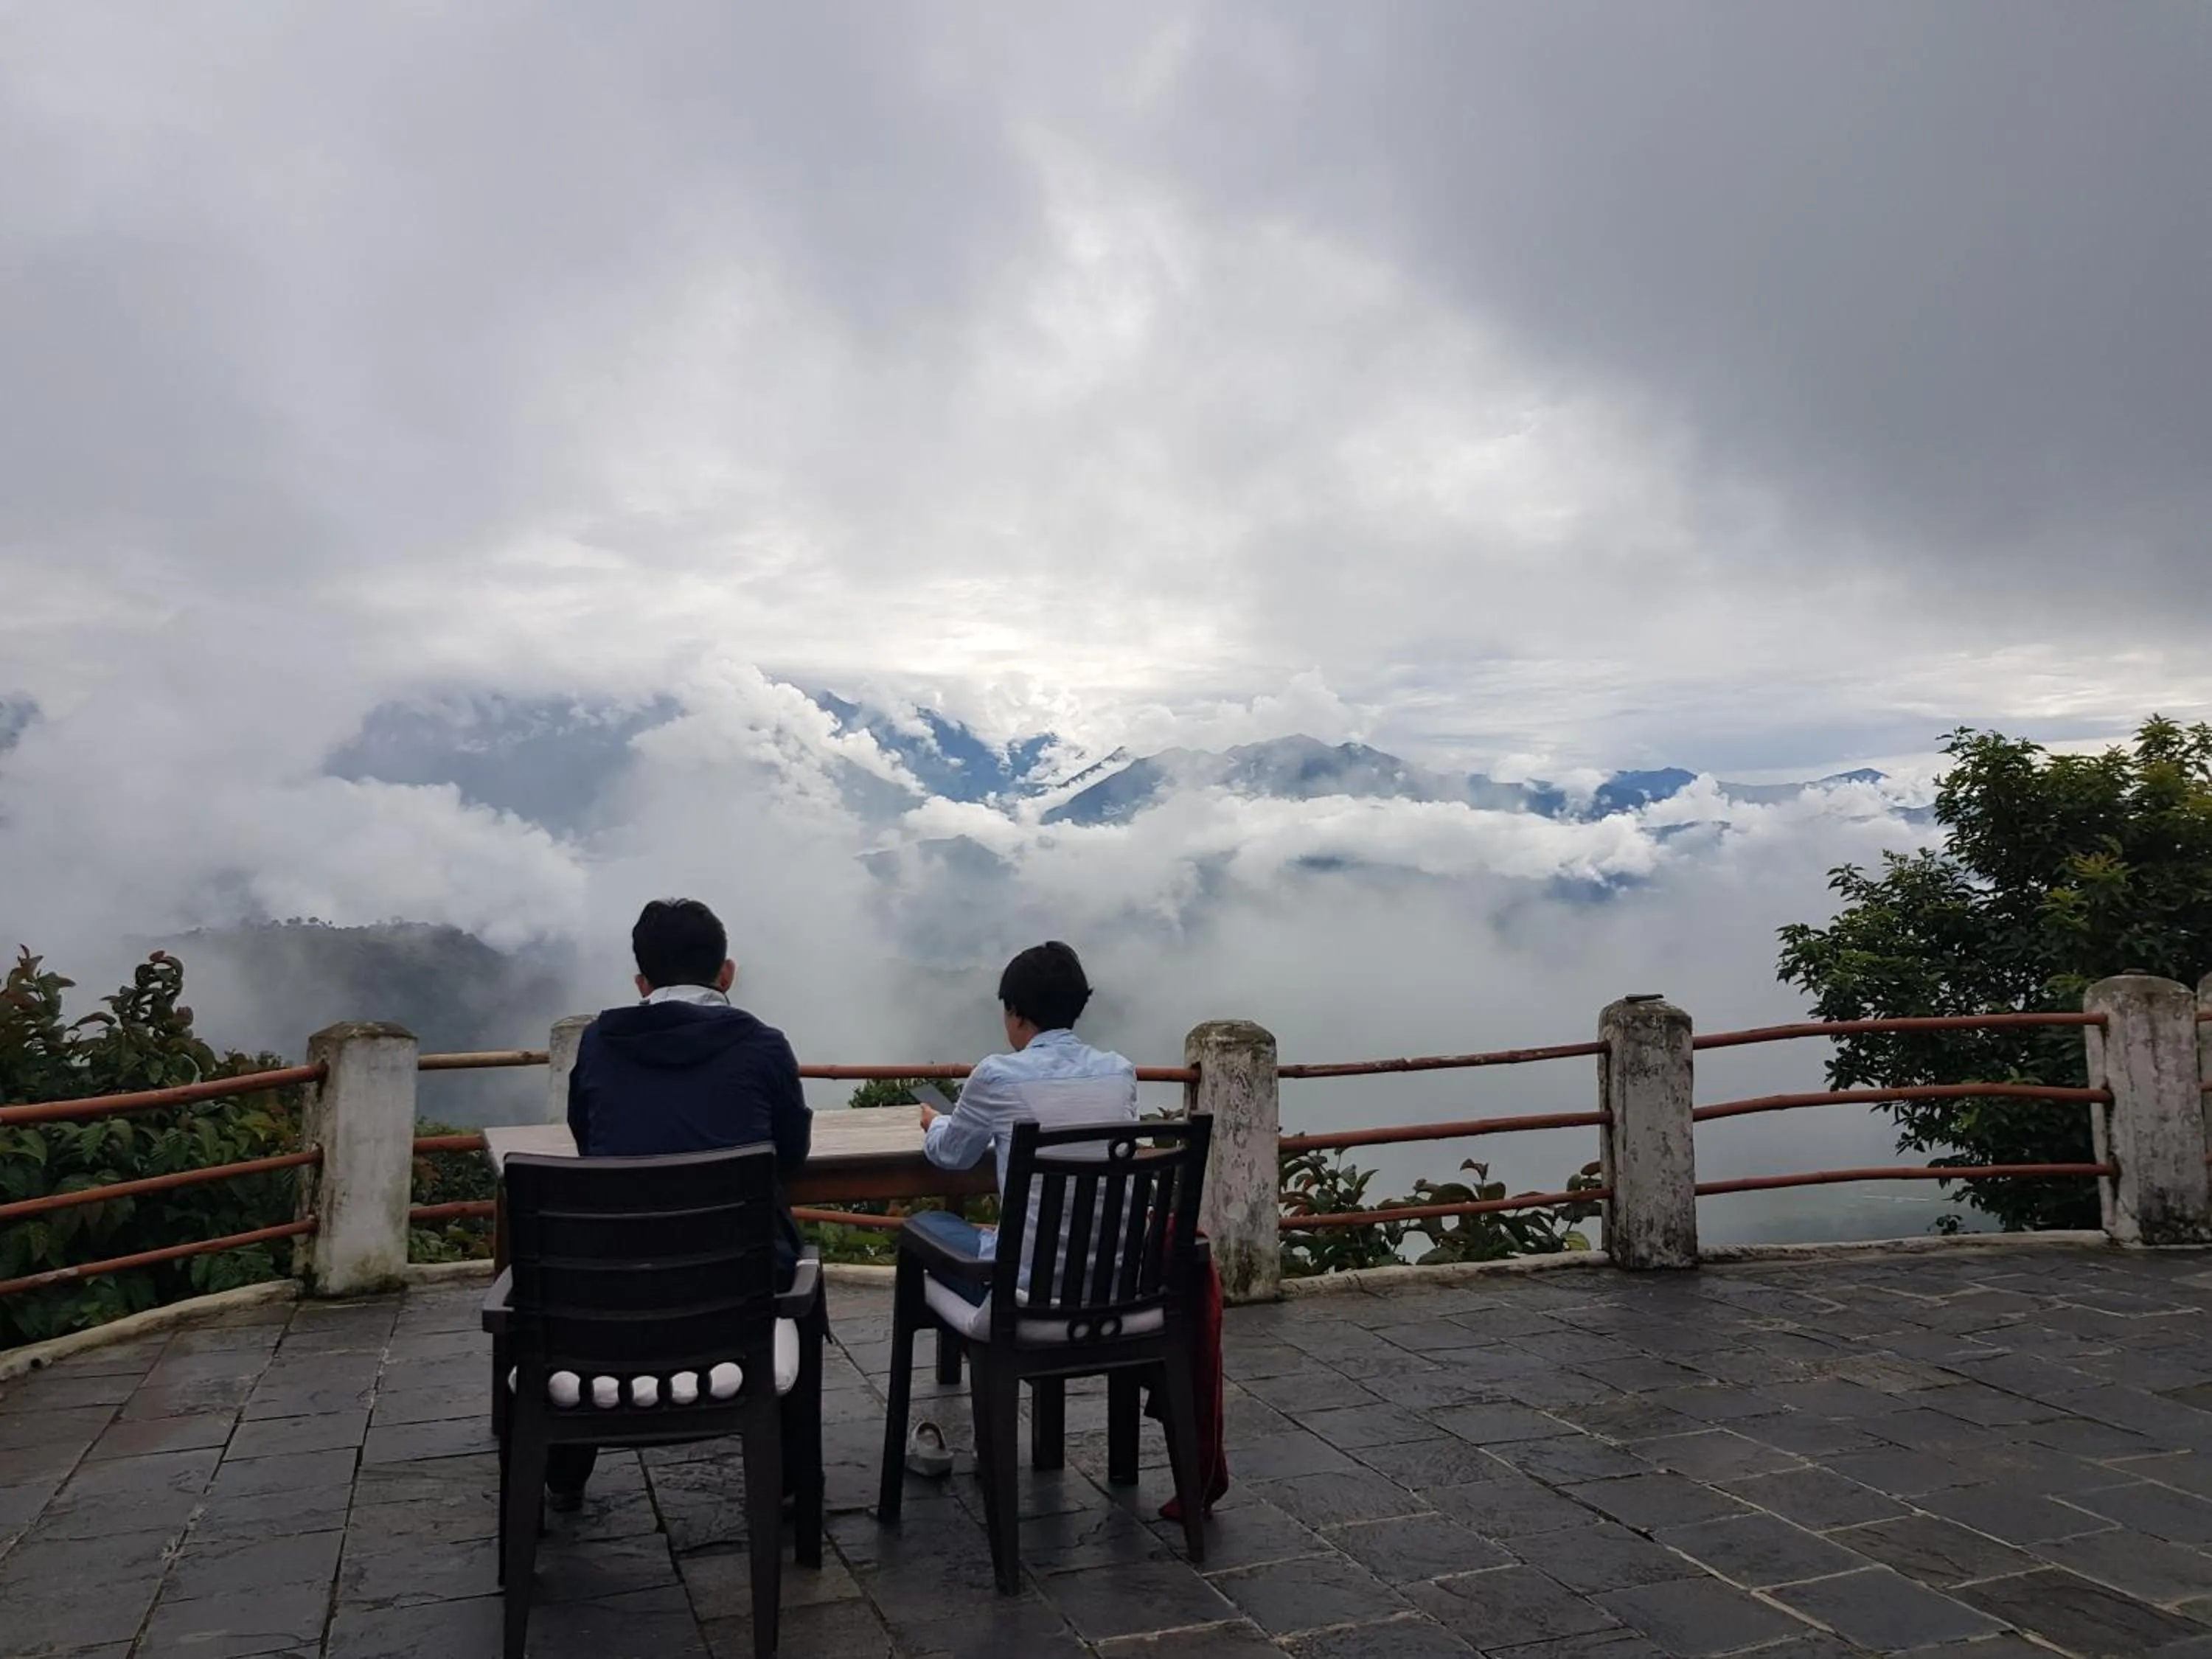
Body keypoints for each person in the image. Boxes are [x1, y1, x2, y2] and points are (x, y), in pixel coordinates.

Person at [545, 897, 816, 1511]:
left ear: (641, 982)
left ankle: (563, 1472)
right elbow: (791, 1154)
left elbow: (589, 1142)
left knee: (593, 1279)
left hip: (612, 1294)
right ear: (727, 973)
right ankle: (790, 1480)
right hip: (738, 1297)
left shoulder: (599, 1045)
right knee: (798, 1273)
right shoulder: (763, 1045)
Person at [912, 941, 1138, 1299]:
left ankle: (959, 1332)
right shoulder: (1120, 1072)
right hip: (1110, 1289)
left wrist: (935, 1123)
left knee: (924, 1226)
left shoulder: (996, 1076)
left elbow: (953, 1155)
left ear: (1016, 1013)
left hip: (1020, 1296)